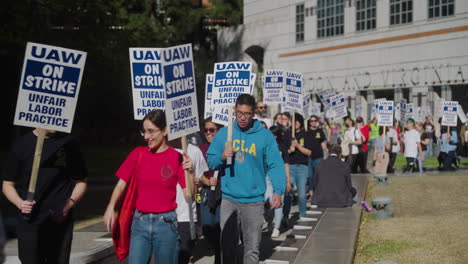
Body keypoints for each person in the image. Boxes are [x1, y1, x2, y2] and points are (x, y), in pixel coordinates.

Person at [103, 110, 192, 264]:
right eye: (144, 131)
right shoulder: (138, 154)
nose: (146, 136)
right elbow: (121, 184)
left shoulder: (177, 157)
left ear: (165, 131)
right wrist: (110, 207)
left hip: (167, 225)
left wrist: (190, 171)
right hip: (140, 223)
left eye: (151, 131)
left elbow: (188, 195)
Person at [206, 94, 286, 264]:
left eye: (247, 114)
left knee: (251, 249)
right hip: (229, 199)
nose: (242, 118)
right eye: (239, 113)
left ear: (253, 113)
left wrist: (278, 191)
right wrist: (222, 155)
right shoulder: (224, 134)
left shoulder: (265, 136)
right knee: (227, 247)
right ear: (234, 111)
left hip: (254, 201)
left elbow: (275, 164)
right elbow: (211, 162)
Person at [2, 128, 88, 264]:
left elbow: (81, 182)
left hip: (59, 221)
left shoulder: (68, 143)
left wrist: (68, 205)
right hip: (29, 221)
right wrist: (20, 203)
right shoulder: (21, 144)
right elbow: (7, 185)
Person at [168, 138, 208, 264]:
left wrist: (194, 177)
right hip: (165, 214)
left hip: (186, 213)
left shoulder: (194, 151)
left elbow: (201, 176)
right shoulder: (161, 150)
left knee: (183, 256)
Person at [198, 117, 224, 264]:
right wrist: (205, 180)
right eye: (206, 130)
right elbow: (196, 171)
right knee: (207, 227)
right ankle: (217, 248)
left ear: (219, 131)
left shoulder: (225, 146)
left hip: (222, 191)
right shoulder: (200, 148)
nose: (208, 133)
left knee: (220, 225)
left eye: (212, 130)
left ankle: (220, 256)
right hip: (207, 192)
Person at [283, 113, 312, 221]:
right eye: (293, 121)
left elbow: (309, 152)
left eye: (297, 121)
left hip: (302, 167)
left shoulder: (306, 134)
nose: (295, 123)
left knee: (302, 193)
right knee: (288, 192)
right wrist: (291, 149)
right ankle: (285, 215)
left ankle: (302, 214)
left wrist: (298, 146)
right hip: (289, 166)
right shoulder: (287, 134)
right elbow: (283, 152)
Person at [266, 125, 291, 238]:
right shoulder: (264, 146)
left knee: (279, 202)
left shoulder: (282, 147)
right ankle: (269, 221)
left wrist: (287, 181)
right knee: (267, 200)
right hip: (267, 177)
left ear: (275, 136)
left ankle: (277, 227)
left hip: (280, 177)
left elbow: (286, 164)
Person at [306, 115, 328, 199]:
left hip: (318, 156)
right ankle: (311, 190)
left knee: (318, 174)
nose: (313, 122)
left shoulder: (320, 131)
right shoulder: (306, 132)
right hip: (308, 157)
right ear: (309, 122)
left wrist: (326, 152)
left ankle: (318, 190)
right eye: (311, 121)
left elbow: (323, 145)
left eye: (315, 120)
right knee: (310, 175)